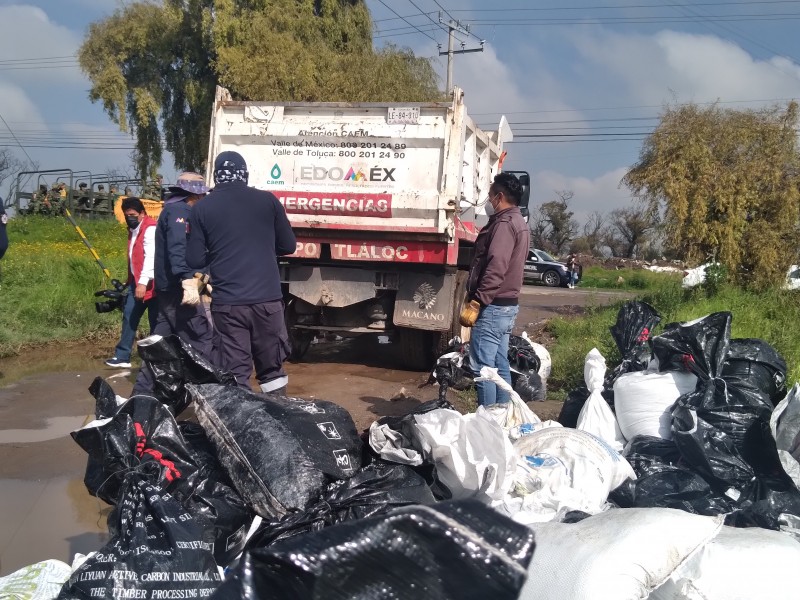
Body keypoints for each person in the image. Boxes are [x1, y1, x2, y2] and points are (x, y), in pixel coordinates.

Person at [187, 151, 296, 394]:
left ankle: (241, 426)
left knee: (236, 372)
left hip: (229, 305)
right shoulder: (268, 201)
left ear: (217, 176)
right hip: (267, 303)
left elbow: (194, 259)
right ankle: (279, 418)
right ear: (244, 174)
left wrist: (215, 251)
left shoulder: (202, 209)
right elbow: (288, 246)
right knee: (272, 371)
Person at [132, 172, 213, 394]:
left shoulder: (172, 209)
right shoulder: (180, 212)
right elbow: (177, 248)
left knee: (160, 343)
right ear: (195, 195)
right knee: (201, 338)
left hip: (168, 288)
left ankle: (141, 394)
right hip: (177, 289)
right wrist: (186, 279)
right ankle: (205, 393)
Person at [461, 172, 530, 406]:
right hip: (506, 307)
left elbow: (496, 266)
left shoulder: (503, 224)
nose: (489, 201)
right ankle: (502, 415)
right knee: (500, 365)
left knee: (483, 368)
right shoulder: (519, 222)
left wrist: (478, 300)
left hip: (493, 307)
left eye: (490, 196)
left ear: (499, 196)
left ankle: (487, 422)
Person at [105, 197, 158, 368]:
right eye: (127, 215)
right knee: (129, 316)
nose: (130, 218)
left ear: (142, 213)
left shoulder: (150, 229)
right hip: (137, 283)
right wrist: (129, 282)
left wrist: (142, 283)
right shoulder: (134, 230)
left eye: (133, 215)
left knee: (155, 322)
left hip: (153, 284)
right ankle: (122, 356)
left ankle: (155, 360)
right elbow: (134, 259)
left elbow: (151, 258)